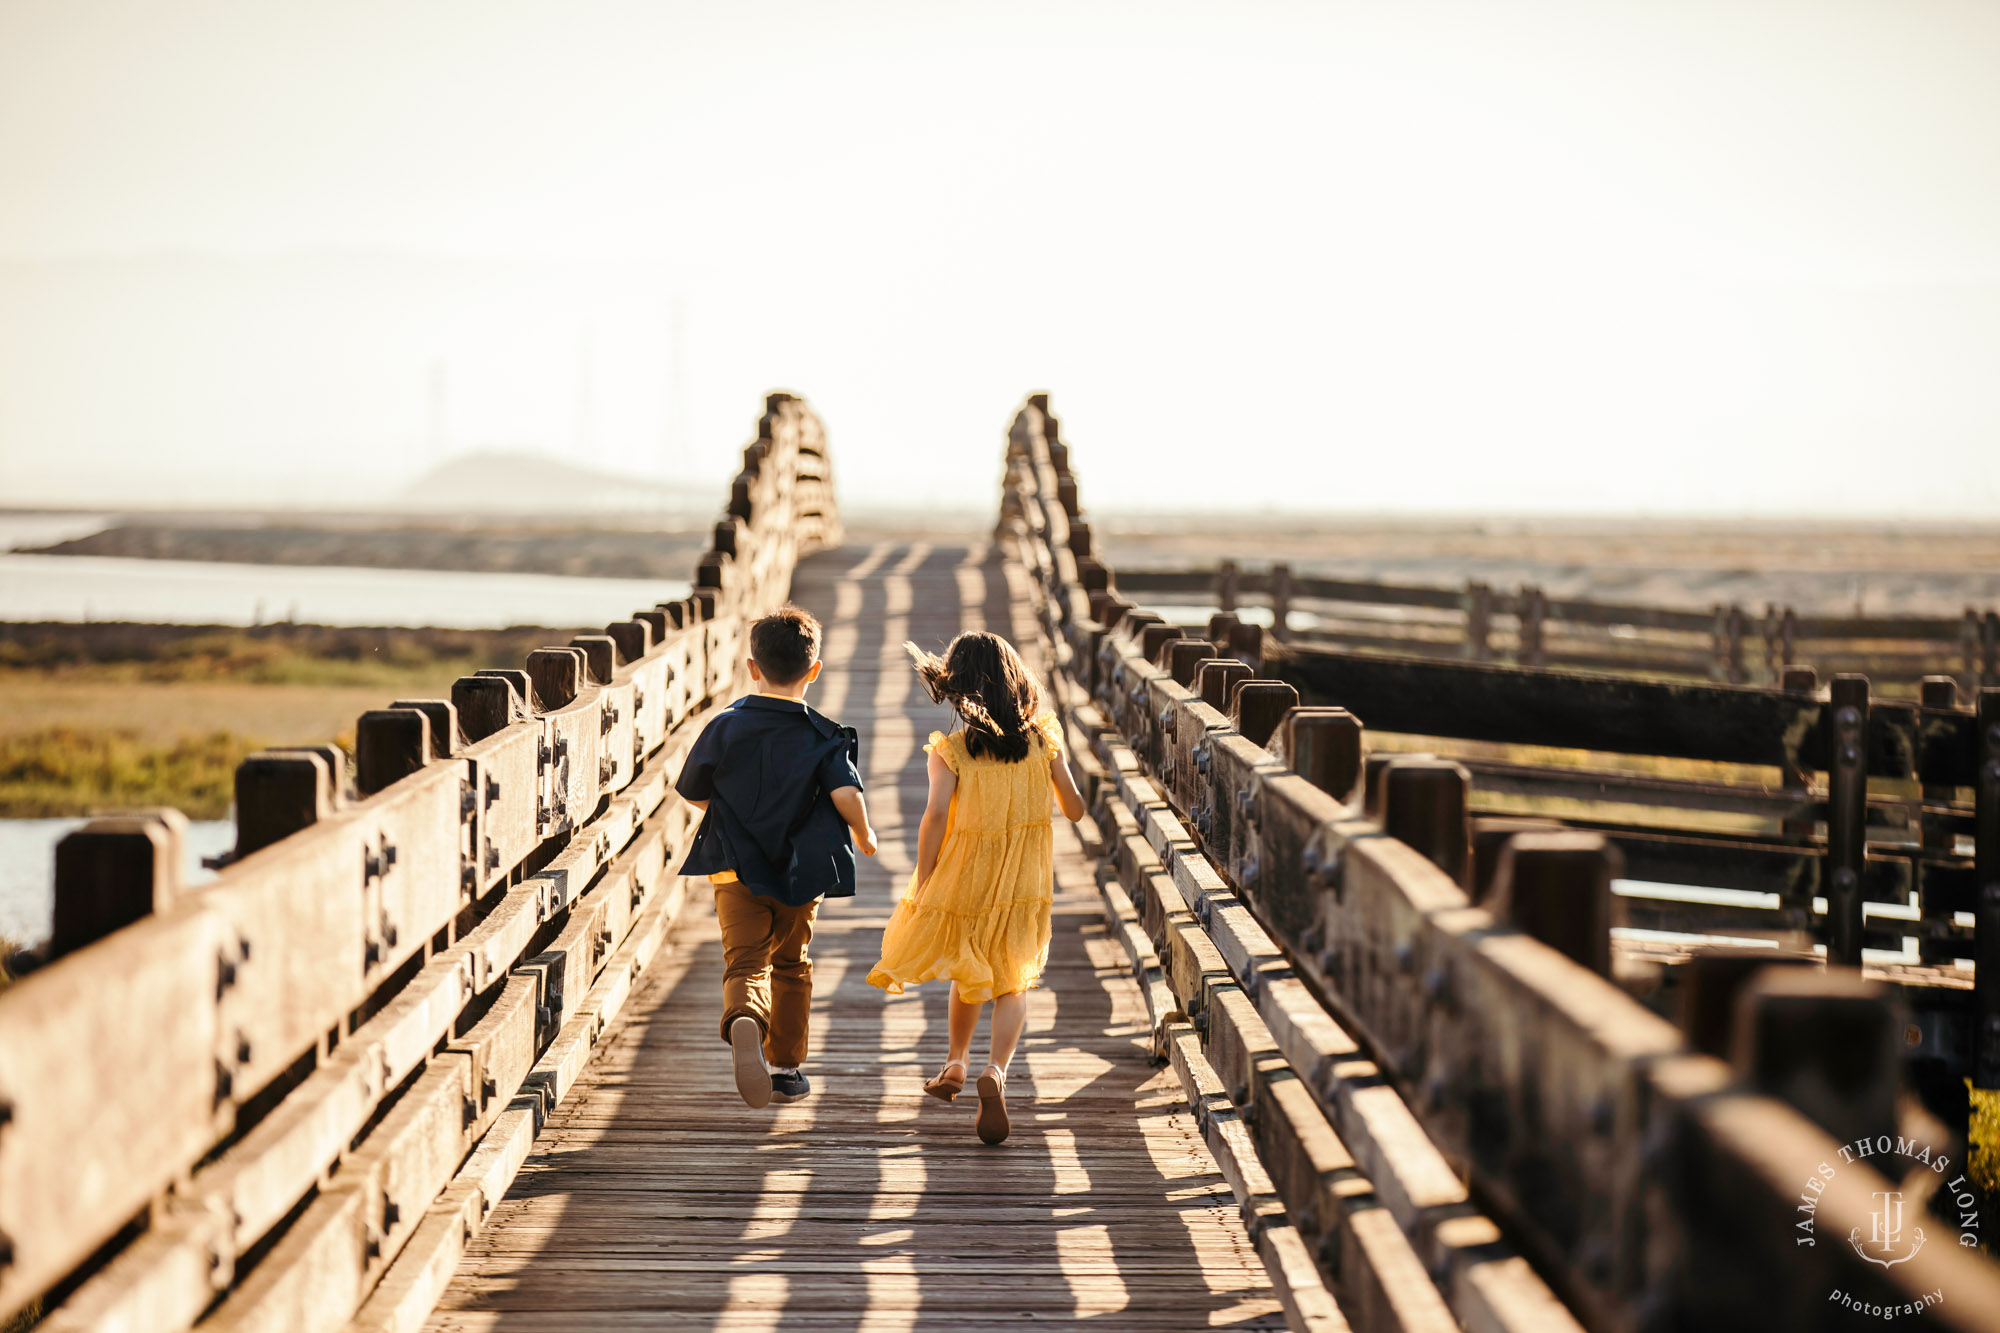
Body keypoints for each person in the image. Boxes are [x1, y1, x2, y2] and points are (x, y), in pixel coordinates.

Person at [866, 631, 1086, 1145]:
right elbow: (1075, 808)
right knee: (1013, 980)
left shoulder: (952, 750)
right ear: (1017, 681)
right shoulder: (1043, 739)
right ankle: (997, 1070)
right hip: (1025, 878)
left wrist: (925, 877)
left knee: (968, 966)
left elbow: (935, 815)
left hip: (966, 873)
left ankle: (956, 1061)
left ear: (959, 688)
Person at [676, 606, 876, 1109]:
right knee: (791, 964)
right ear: (814, 671)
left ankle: (745, 1016)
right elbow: (846, 796)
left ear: (752, 667)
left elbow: (693, 789)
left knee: (745, 961)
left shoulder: (725, 727)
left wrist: (730, 814)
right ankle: (786, 1068)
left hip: (734, 867)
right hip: (801, 872)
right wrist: (865, 833)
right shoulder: (823, 735)